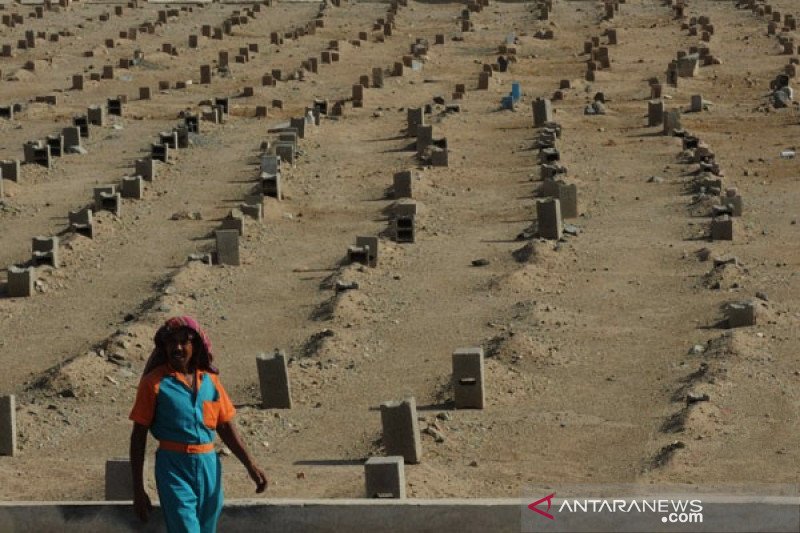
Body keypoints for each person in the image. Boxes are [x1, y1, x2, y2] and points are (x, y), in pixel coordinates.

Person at [129, 316, 267, 532]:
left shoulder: (210, 382)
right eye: (171, 342)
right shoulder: (153, 383)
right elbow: (138, 436)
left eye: (184, 341)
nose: (178, 347)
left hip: (209, 467)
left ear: (196, 345)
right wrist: (138, 488)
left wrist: (250, 465)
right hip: (173, 469)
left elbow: (225, 427)